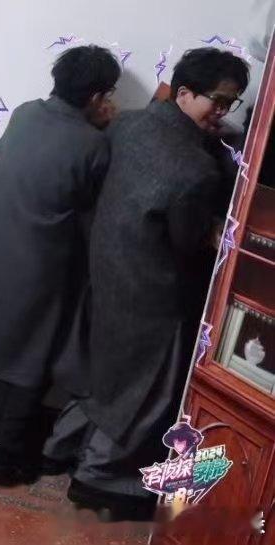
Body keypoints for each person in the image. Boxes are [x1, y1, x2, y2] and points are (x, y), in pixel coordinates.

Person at [46, 47, 249, 520]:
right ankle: (98, 480)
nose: (222, 112)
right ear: (184, 93)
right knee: (146, 388)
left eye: (230, 103)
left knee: (103, 376)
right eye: (217, 101)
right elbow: (185, 241)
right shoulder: (196, 168)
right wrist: (212, 230)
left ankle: (60, 448)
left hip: (106, 269)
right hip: (152, 289)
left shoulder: (128, 124)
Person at [0, 45, 120, 485]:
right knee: (28, 360)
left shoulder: (25, 113)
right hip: (39, 265)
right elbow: (92, 212)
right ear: (96, 97)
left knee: (1, 358)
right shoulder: (93, 144)